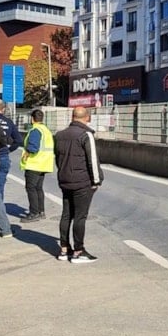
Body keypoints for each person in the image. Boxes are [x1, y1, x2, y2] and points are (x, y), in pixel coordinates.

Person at [54, 107, 103, 263]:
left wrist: (63, 173)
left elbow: (58, 158)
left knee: (66, 214)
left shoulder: (59, 135)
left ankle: (64, 250)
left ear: (72, 116)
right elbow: (92, 160)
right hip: (82, 181)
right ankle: (78, 251)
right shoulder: (86, 135)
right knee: (80, 216)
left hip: (65, 180)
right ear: (87, 117)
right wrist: (96, 181)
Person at [0, 99, 23, 230]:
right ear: (3, 109)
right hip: (2, 156)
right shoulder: (8, 122)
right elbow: (18, 140)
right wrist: (8, 150)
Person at [20, 109, 55, 223]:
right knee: (38, 188)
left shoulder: (35, 130)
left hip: (34, 164)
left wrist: (27, 153)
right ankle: (41, 211)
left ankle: (34, 213)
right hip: (44, 164)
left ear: (32, 119)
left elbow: (33, 147)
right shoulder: (46, 130)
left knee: (31, 188)